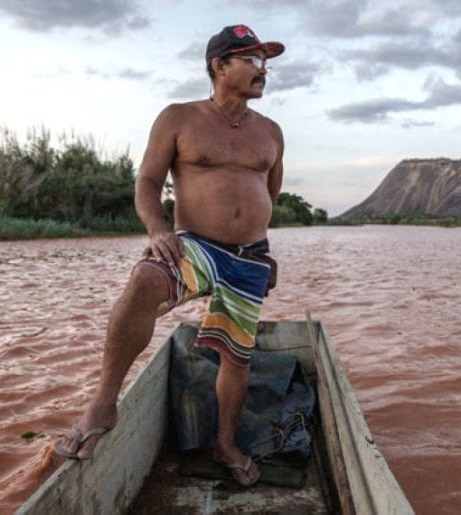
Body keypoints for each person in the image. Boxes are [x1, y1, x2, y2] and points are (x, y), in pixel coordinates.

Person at [54, 24, 285, 488]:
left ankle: (224, 443)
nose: (263, 70)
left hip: (250, 258)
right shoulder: (179, 118)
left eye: (265, 61)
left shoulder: (272, 132)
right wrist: (158, 229)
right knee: (145, 281)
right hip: (196, 245)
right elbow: (147, 183)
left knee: (237, 356)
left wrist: (266, 251)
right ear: (220, 66)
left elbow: (269, 194)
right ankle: (103, 403)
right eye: (251, 60)